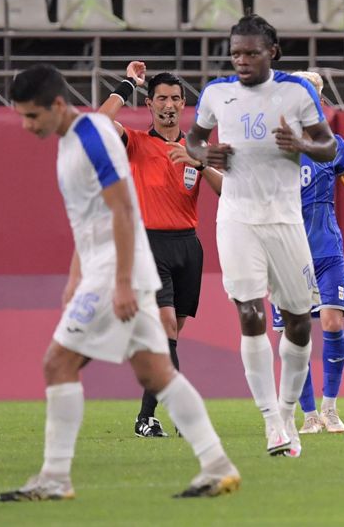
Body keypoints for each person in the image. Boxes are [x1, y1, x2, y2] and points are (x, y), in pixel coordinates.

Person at [0, 64, 239, 501]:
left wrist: (124, 282)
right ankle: (217, 466)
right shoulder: (74, 140)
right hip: (111, 268)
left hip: (116, 270)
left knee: (58, 363)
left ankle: (55, 479)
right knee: (157, 371)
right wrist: (75, 275)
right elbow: (88, 218)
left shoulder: (92, 137)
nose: (25, 125)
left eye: (31, 116)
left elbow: (124, 212)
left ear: (56, 105)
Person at [185, 15, 337, 458]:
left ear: (272, 52)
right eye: (236, 53)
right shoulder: (217, 93)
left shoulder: (296, 91)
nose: (243, 60)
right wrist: (205, 153)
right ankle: (271, 422)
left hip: (286, 220)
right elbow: (194, 141)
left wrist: (302, 145)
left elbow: (327, 145)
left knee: (297, 322)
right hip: (236, 217)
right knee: (250, 313)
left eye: (251, 53)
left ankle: (288, 413)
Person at [97, 61, 223, 439]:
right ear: (150, 103)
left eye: (175, 98)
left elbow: (228, 191)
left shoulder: (197, 149)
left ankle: (145, 417)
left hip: (189, 246)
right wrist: (126, 85)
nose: (168, 104)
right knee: (167, 327)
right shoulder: (135, 141)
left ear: (184, 104)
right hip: (150, 244)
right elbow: (100, 124)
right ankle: (183, 414)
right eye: (161, 98)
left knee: (169, 337)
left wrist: (199, 164)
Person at [269, 71, 344, 435]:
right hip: (288, 253)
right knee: (295, 335)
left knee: (332, 322)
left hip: (327, 249)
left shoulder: (334, 145)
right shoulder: (276, 147)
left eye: (314, 96)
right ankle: (309, 414)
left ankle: (331, 408)